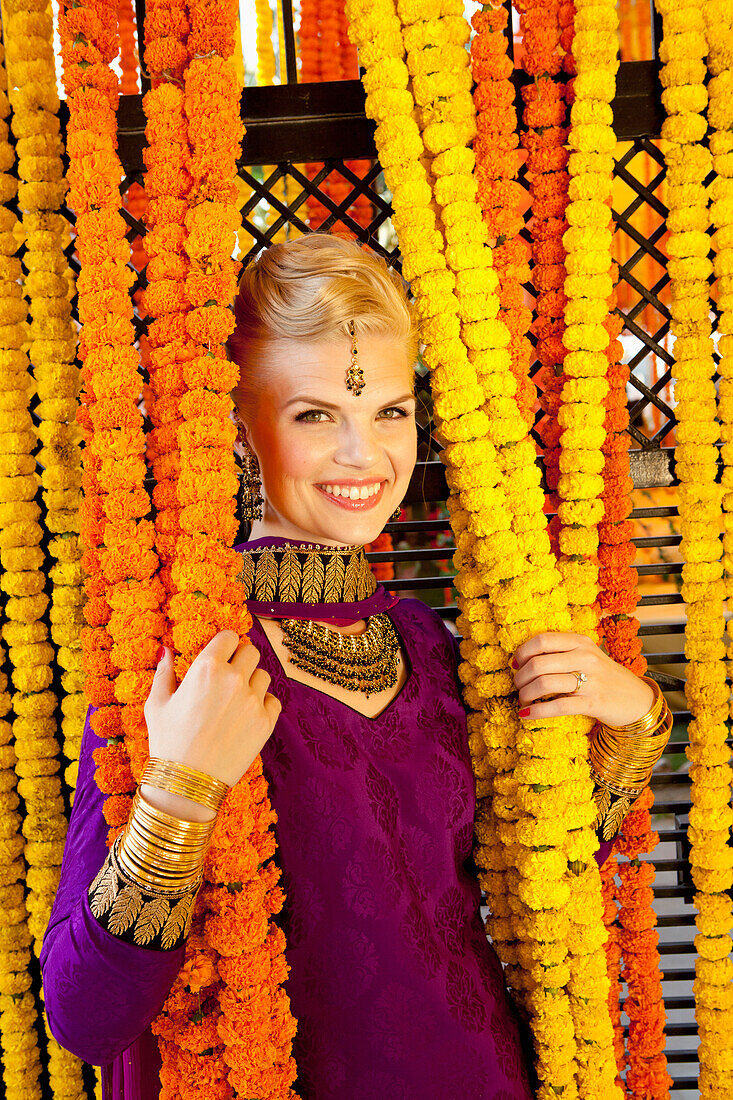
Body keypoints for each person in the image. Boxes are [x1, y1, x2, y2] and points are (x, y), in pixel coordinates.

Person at [40, 233, 671, 1100]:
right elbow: (83, 1017)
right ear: (240, 426)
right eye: (314, 415)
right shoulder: (183, 659)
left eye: (388, 412)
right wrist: (179, 790)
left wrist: (635, 725)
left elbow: (530, 871)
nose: (362, 456)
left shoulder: (426, 643)